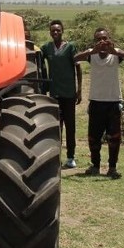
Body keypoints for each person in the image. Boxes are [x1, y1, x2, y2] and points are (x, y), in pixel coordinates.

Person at [74, 27, 124, 179]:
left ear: (109, 39)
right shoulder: (92, 54)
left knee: (114, 137)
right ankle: (95, 165)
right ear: (95, 41)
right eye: (98, 39)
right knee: (93, 137)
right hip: (96, 101)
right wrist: (91, 52)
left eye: (104, 38)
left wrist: (115, 51)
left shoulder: (115, 54)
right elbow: (75, 58)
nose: (102, 41)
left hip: (113, 102)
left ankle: (112, 168)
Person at [40, 20, 82, 169]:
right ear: (50, 32)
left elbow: (78, 68)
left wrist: (79, 89)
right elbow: (38, 58)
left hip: (69, 93)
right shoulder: (47, 48)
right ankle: (54, 156)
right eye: (53, 31)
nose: (55, 33)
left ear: (62, 31)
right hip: (54, 94)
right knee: (56, 127)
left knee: (70, 127)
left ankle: (71, 157)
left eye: (58, 30)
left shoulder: (70, 47)